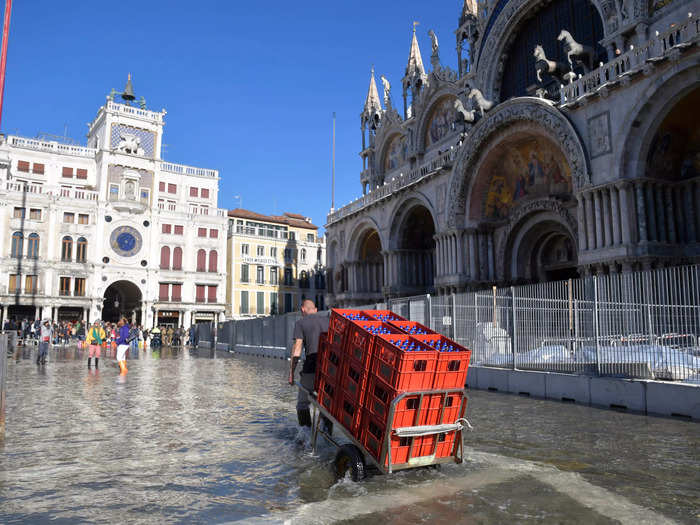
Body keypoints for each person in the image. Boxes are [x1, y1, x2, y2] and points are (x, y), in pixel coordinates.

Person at [288, 299, 329, 428]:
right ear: (316, 310)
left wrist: (291, 373)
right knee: (326, 404)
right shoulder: (328, 321)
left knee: (302, 403)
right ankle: (326, 432)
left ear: (303, 310)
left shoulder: (301, 323)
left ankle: (305, 435)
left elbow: (297, 349)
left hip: (311, 368)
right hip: (329, 370)